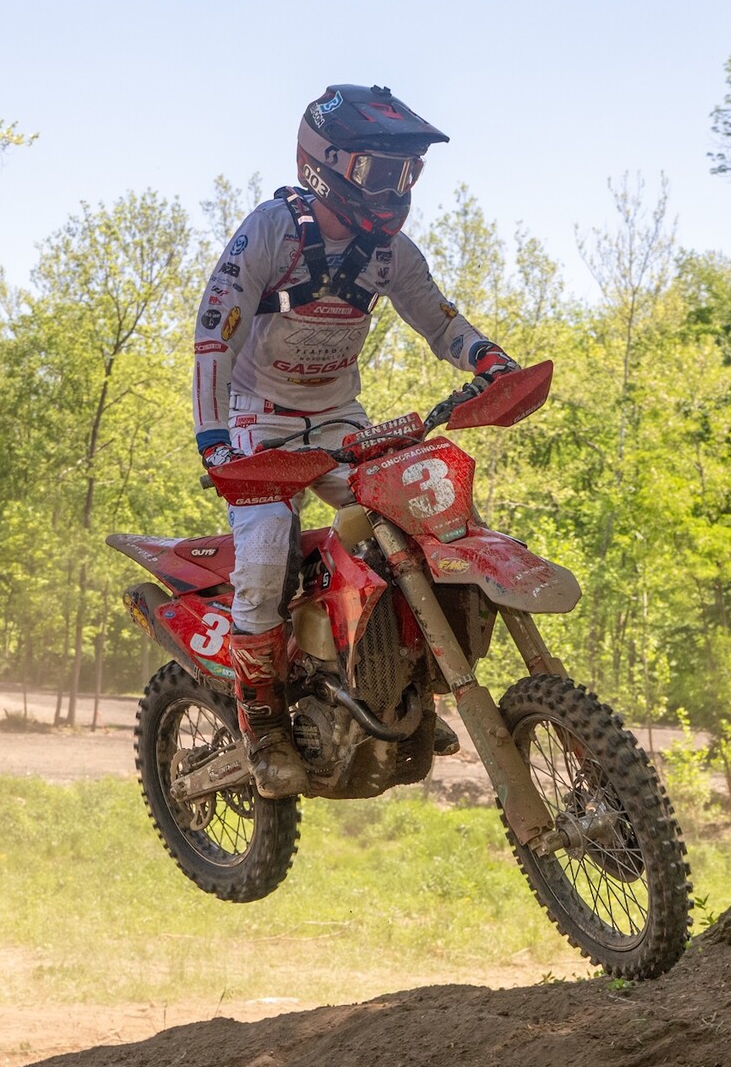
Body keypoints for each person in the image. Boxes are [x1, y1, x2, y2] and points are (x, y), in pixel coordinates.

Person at [193, 85, 520, 797]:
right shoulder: (271, 231)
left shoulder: (391, 251)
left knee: (410, 520)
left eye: (408, 174)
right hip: (259, 419)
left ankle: (404, 691)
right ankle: (264, 724)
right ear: (326, 165)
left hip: (340, 418)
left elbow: (438, 320)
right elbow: (213, 331)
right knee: (264, 559)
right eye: (382, 173)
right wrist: (214, 438)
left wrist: (488, 359)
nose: (397, 190)